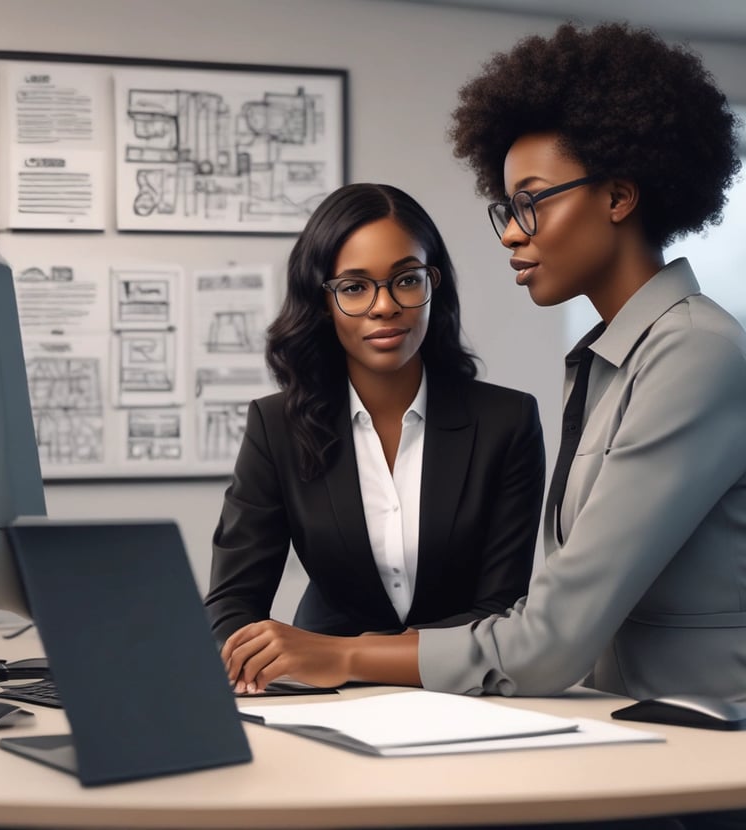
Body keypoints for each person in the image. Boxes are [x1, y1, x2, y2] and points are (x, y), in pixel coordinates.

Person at [220, 21, 746, 713]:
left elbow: (548, 637)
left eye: (531, 202)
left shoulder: (694, 351)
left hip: (704, 748)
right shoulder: (613, 360)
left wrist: (341, 653)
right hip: (623, 724)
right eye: (506, 207)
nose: (509, 232)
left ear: (618, 197)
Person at [206, 182, 545, 653]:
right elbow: (232, 604)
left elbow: (501, 608)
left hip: (463, 689)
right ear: (323, 301)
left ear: (434, 284)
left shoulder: (507, 422)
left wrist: (351, 658)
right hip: (325, 696)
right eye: (354, 287)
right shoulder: (276, 425)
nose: (384, 306)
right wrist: (256, 661)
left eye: (407, 279)